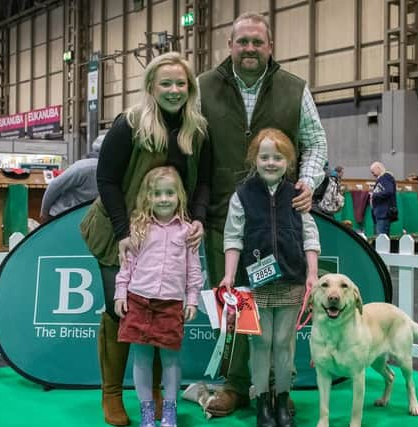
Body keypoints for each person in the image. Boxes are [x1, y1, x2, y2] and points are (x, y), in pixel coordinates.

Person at [198, 12, 327, 416]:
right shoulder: (202, 87)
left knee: (281, 323)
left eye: (257, 42)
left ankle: (278, 391)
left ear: (269, 47)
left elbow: (316, 141)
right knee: (236, 306)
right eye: (242, 42)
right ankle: (237, 386)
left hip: (282, 222)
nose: (250, 48)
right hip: (226, 217)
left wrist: (306, 183)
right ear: (229, 45)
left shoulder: (295, 89)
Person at [93, 52, 209, 426]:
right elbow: (106, 180)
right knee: (119, 309)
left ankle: (158, 397)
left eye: (181, 84)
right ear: (151, 87)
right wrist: (124, 232)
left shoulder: (197, 128)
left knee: (160, 315)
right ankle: (112, 394)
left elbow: (204, 181)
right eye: (166, 83)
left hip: (168, 227)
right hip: (120, 228)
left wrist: (199, 220)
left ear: (189, 88)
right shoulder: (129, 123)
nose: (174, 90)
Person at [220, 129, 319, 427]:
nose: (271, 162)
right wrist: (228, 274)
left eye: (278, 157)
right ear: (254, 159)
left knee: (283, 342)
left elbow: (309, 235)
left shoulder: (297, 195)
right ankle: (262, 400)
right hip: (254, 284)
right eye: (264, 157)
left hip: (291, 281)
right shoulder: (242, 196)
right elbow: (233, 237)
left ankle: (282, 400)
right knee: (261, 343)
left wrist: (312, 273)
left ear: (288, 161)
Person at [114, 166, 202, 427]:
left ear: (179, 197)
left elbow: (194, 269)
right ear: (148, 197)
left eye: (169, 193)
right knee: (141, 358)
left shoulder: (187, 232)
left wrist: (193, 298)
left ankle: (170, 411)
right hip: (138, 300)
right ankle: (147, 413)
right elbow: (126, 266)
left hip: (171, 303)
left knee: (171, 359)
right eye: (157, 194)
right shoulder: (138, 228)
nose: (163, 199)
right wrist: (121, 293)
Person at [39, 134, 105, 223]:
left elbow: (54, 186)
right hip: (63, 215)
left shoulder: (82, 167)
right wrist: (44, 213)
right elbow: (55, 186)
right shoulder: (84, 167)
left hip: (74, 216)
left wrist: (44, 212)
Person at [369, 161, 397, 236]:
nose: (373, 174)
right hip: (380, 213)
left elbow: (389, 191)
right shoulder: (382, 178)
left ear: (378, 168)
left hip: (383, 214)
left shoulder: (386, 177)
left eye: (373, 172)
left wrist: (374, 195)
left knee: (381, 239)